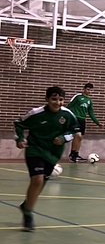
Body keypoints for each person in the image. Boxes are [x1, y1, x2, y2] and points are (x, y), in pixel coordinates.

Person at [13, 86, 80, 231]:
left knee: (41, 184)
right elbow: (18, 123)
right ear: (47, 100)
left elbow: (74, 131)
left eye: (61, 99)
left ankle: (26, 205)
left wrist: (64, 137)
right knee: (37, 180)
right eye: (54, 99)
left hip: (53, 153)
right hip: (35, 149)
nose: (58, 102)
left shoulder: (68, 115)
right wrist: (19, 139)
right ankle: (28, 214)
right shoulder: (36, 113)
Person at [66, 82, 102, 163]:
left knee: (80, 138)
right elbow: (69, 106)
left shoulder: (89, 101)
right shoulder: (78, 97)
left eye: (91, 90)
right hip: (75, 118)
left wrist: (97, 123)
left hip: (82, 120)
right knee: (77, 135)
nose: (89, 91)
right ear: (84, 89)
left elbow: (91, 113)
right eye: (88, 89)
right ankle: (72, 155)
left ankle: (76, 154)